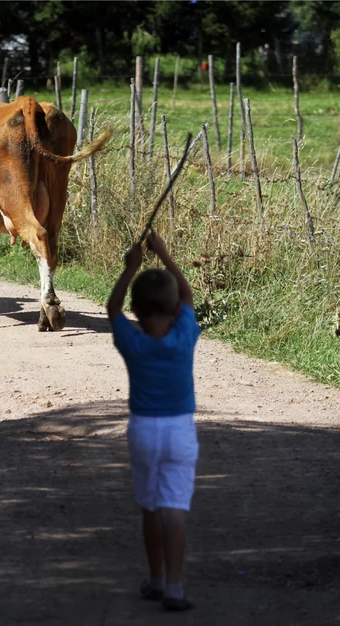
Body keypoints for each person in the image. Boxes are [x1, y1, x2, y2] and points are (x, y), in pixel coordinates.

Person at [106, 232, 201, 612]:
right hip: (179, 431)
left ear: (137, 310)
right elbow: (189, 297)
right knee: (174, 508)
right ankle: (175, 589)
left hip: (143, 430)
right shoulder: (183, 337)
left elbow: (113, 308)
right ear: (175, 307)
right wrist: (163, 254)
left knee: (149, 506)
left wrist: (130, 268)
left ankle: (156, 579)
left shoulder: (132, 340)